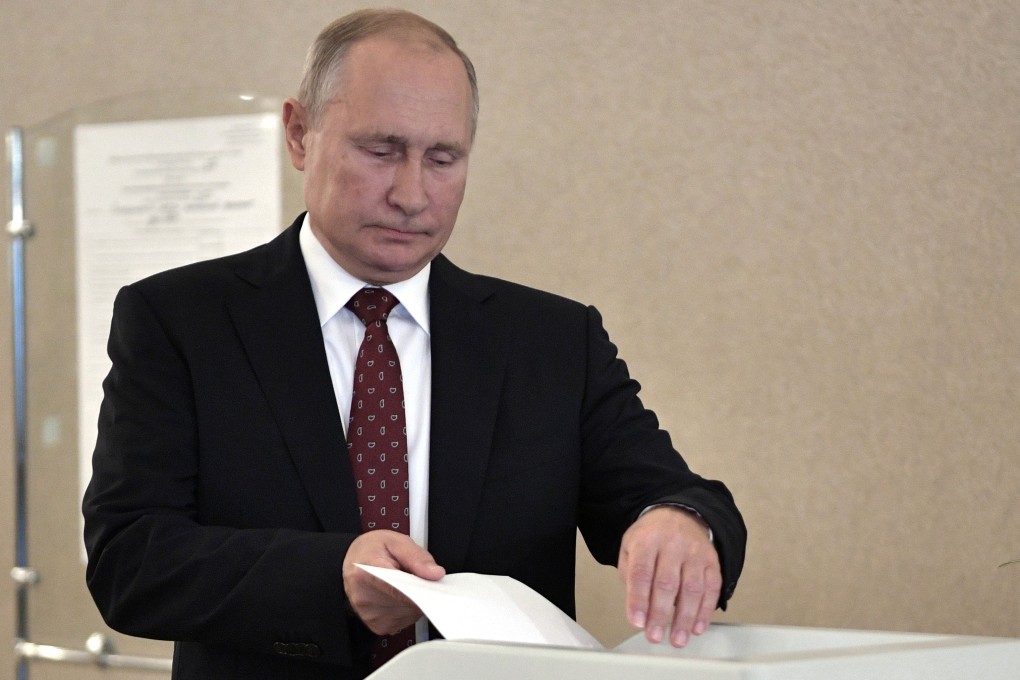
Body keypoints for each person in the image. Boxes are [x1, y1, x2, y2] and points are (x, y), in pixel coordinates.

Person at [83, 9, 746, 680]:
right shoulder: (179, 320)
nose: (412, 194)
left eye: (442, 158)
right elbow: (131, 560)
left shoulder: (551, 342)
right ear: (299, 133)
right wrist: (330, 577)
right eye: (381, 150)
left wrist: (681, 522)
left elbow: (671, 495)